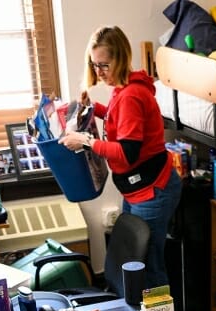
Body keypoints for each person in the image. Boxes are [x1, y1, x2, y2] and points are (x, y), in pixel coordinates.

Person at [61, 26, 181, 289]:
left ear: (121, 58)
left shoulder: (131, 95)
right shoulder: (123, 88)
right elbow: (119, 119)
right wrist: (93, 109)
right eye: (94, 65)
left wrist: (85, 140)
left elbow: (127, 153)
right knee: (136, 261)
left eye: (104, 65)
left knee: (148, 266)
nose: (99, 72)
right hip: (139, 188)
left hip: (152, 190)